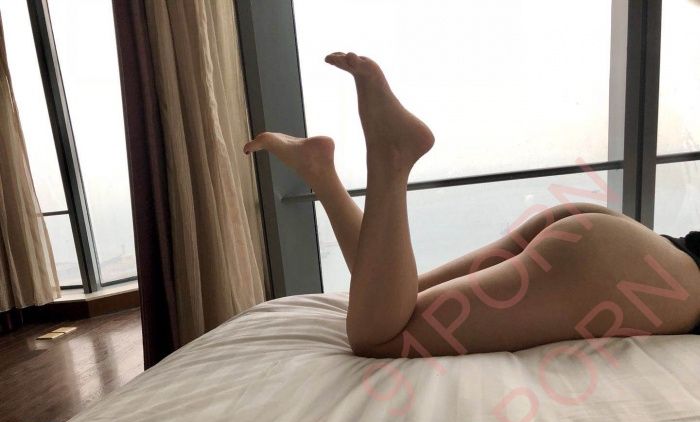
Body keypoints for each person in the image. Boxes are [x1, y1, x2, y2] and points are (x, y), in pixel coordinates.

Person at [244, 52, 700, 358]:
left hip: (627, 247)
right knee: (379, 337)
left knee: (395, 301)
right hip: (632, 274)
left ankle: (322, 174)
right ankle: (391, 157)